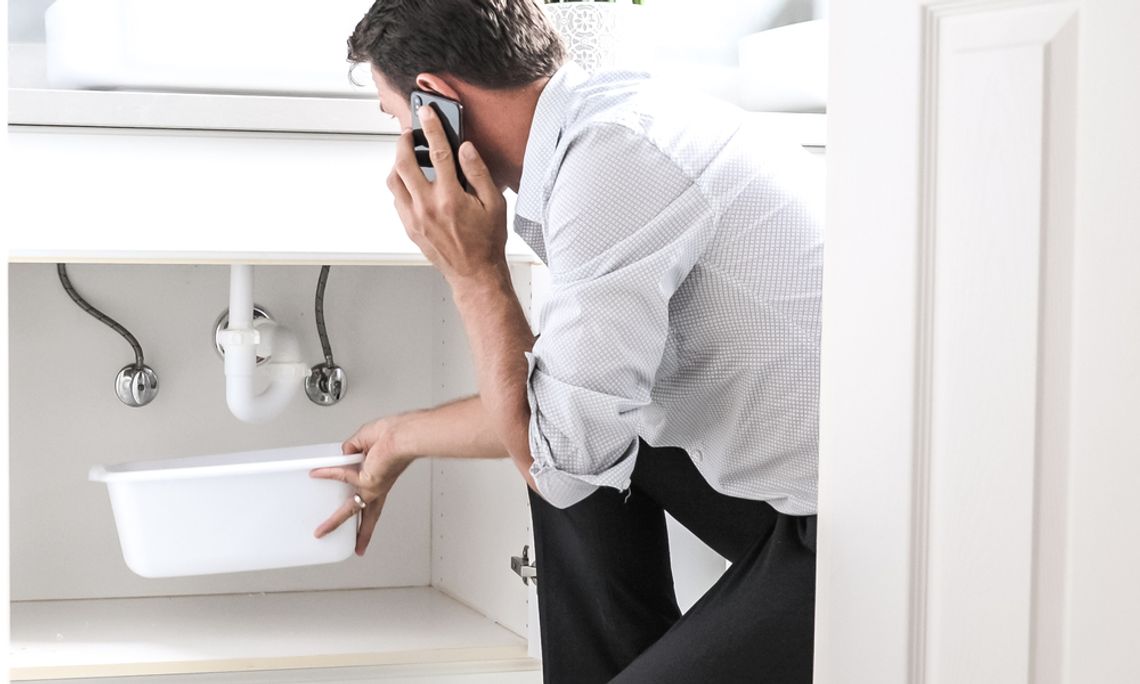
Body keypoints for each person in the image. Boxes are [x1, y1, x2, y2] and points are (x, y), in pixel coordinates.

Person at [310, 1, 823, 681]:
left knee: (563, 462)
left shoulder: (611, 165)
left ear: (436, 102)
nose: (401, 141)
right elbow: (567, 413)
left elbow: (558, 462)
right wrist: (402, 436)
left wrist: (474, 274)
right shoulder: (601, 132)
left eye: (397, 117)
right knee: (578, 432)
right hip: (802, 495)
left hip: (868, 533)